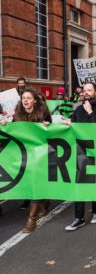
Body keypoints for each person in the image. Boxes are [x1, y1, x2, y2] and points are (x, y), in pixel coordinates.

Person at [1, 88, 51, 233]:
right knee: (28, 182)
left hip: (39, 154)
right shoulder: (17, 115)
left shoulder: (43, 113)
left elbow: (52, 131)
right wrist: (5, 126)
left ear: (35, 100)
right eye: (23, 98)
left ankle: (32, 219)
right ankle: (44, 200)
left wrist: (47, 126)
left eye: (29, 98)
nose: (26, 101)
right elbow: (13, 132)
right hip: (23, 154)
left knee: (35, 182)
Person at [65, 83, 96, 231]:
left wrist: (90, 112)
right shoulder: (78, 109)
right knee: (79, 183)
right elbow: (74, 127)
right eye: (84, 90)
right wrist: (68, 124)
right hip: (81, 151)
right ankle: (79, 217)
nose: (86, 92)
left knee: (95, 182)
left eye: (89, 90)